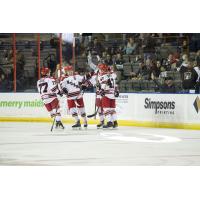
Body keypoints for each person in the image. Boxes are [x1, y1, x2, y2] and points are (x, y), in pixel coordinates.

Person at [98, 64, 119, 129]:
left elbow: (104, 83)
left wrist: (101, 90)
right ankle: (115, 123)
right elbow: (115, 84)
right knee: (112, 110)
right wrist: (117, 91)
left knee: (106, 110)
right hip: (113, 94)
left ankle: (109, 122)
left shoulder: (104, 76)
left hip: (106, 94)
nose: (100, 71)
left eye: (101, 69)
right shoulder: (113, 76)